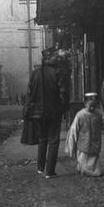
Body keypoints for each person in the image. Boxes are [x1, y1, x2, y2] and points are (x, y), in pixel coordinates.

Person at [24, 47, 70, 179]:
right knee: (53, 141)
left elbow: (29, 94)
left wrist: (28, 112)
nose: (57, 58)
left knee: (42, 139)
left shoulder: (35, 73)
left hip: (38, 113)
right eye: (55, 56)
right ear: (49, 58)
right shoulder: (57, 73)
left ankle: (40, 168)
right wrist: (64, 109)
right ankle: (50, 171)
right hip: (54, 112)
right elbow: (63, 93)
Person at [65, 93, 104, 177]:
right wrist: (71, 145)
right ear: (85, 103)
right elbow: (73, 129)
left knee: (93, 160)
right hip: (83, 142)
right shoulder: (80, 115)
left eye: (94, 106)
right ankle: (83, 168)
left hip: (95, 141)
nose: (92, 108)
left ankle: (89, 170)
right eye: (90, 106)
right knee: (83, 157)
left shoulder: (98, 114)